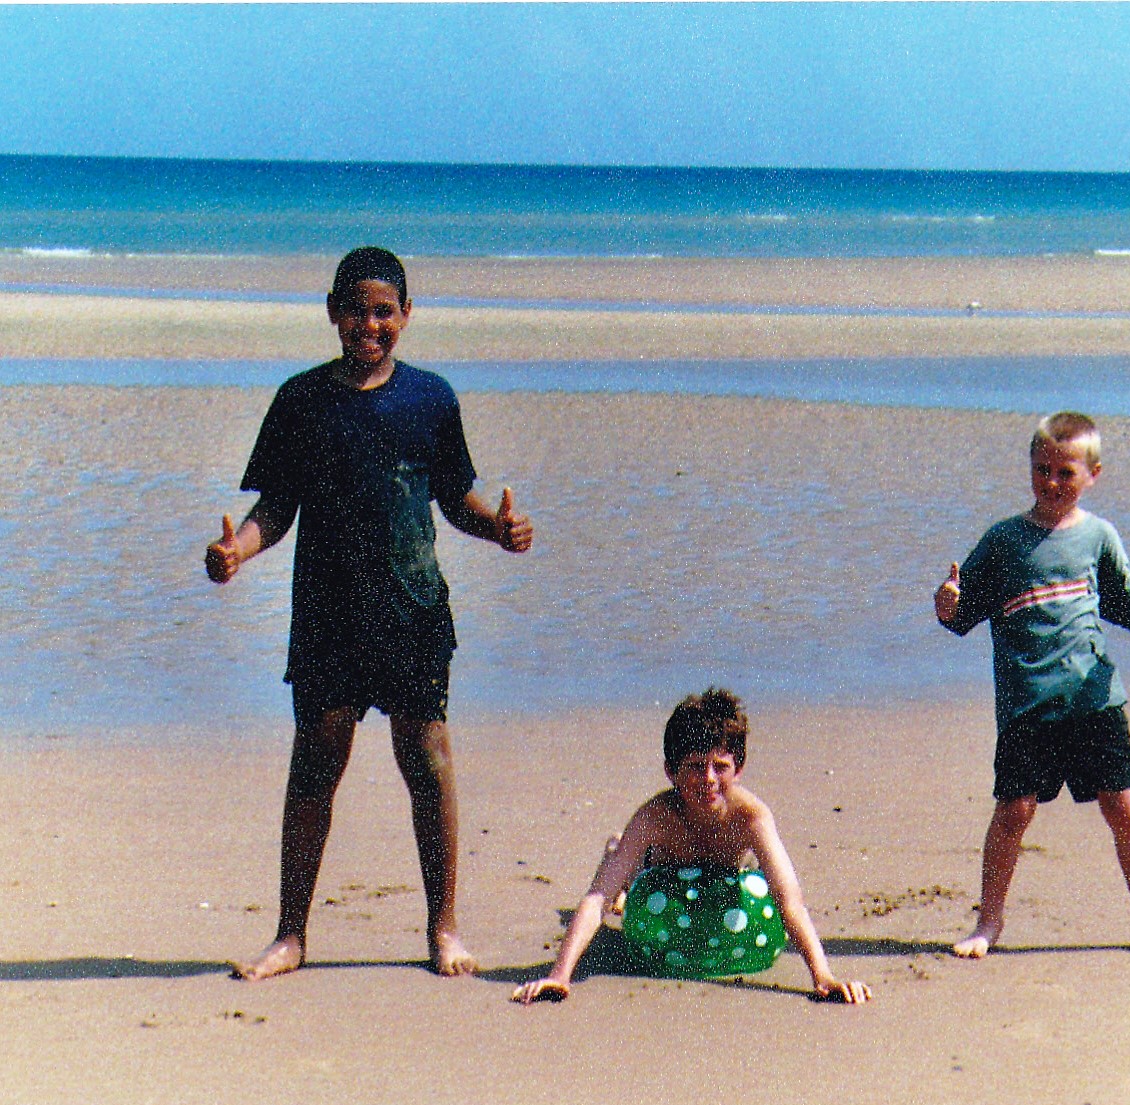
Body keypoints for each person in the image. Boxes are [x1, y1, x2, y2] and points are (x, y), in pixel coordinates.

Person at [206, 246, 534, 981]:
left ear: (407, 317)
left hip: (413, 609)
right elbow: (275, 509)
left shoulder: (431, 399)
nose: (370, 323)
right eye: (356, 308)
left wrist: (500, 530)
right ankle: (290, 934)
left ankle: (444, 927)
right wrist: (239, 554)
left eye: (385, 310)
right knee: (315, 767)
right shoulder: (300, 401)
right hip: (327, 615)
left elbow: (454, 502)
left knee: (428, 762)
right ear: (332, 310)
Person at [935, 411, 1130, 959]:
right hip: (1027, 703)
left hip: (1094, 701)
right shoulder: (1003, 540)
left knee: (1122, 806)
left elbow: (1127, 610)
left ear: (1093, 474)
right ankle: (989, 922)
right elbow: (959, 615)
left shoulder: (1099, 537)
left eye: (1065, 473)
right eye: (1041, 469)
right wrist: (946, 600)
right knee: (1014, 812)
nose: (1051, 482)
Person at [512, 688, 871, 1005]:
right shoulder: (655, 816)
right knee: (619, 864)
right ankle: (620, 857)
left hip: (729, 880)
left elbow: (789, 900)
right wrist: (559, 975)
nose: (709, 780)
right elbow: (597, 897)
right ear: (670, 771)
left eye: (721, 767)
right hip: (660, 871)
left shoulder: (752, 817)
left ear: (739, 768)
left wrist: (822, 976)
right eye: (696, 767)